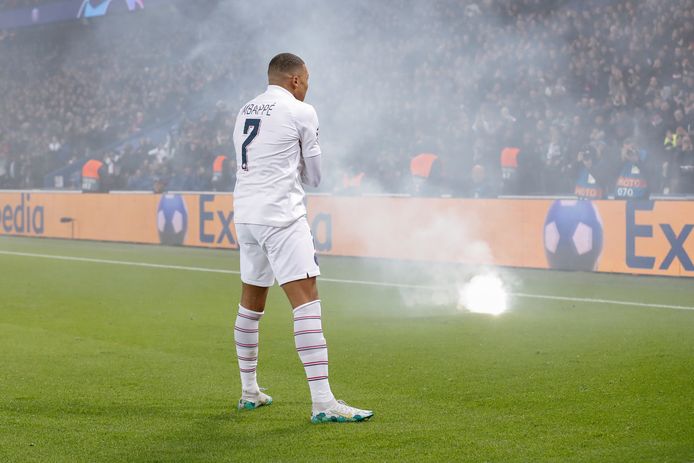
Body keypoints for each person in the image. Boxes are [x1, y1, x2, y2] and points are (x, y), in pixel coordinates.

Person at [231, 53, 373, 424]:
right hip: (281, 216)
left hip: (246, 216)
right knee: (306, 302)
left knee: (251, 302)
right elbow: (315, 178)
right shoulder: (300, 111)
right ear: (295, 80)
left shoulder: (245, 108)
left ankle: (249, 392)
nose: (308, 86)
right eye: (306, 79)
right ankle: (323, 402)